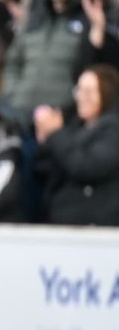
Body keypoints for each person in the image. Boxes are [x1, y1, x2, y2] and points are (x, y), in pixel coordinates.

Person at [34, 65, 119, 226]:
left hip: (94, 226)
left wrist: (56, 133)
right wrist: (44, 142)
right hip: (62, 221)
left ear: (107, 93)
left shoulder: (113, 130)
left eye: (89, 91)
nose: (81, 97)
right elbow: (45, 170)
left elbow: (88, 167)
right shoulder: (73, 128)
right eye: (79, 90)